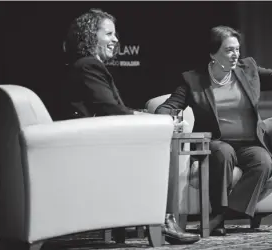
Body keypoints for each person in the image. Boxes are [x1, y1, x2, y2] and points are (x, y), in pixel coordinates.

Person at [155, 25, 272, 236]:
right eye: (229, 50)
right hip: (216, 143)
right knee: (223, 152)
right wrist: (167, 118)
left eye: (237, 49)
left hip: (249, 143)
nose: (235, 54)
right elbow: (169, 106)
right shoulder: (194, 80)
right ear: (212, 53)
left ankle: (221, 216)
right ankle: (218, 214)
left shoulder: (248, 70)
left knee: (264, 163)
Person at [62, 8, 201, 245]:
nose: (116, 39)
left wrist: (143, 115)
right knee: (161, 150)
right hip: (95, 147)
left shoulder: (88, 66)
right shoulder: (88, 66)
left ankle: (162, 219)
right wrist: (153, 120)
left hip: (97, 141)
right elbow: (111, 110)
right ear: (90, 36)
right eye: (109, 34)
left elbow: (113, 108)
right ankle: (164, 220)